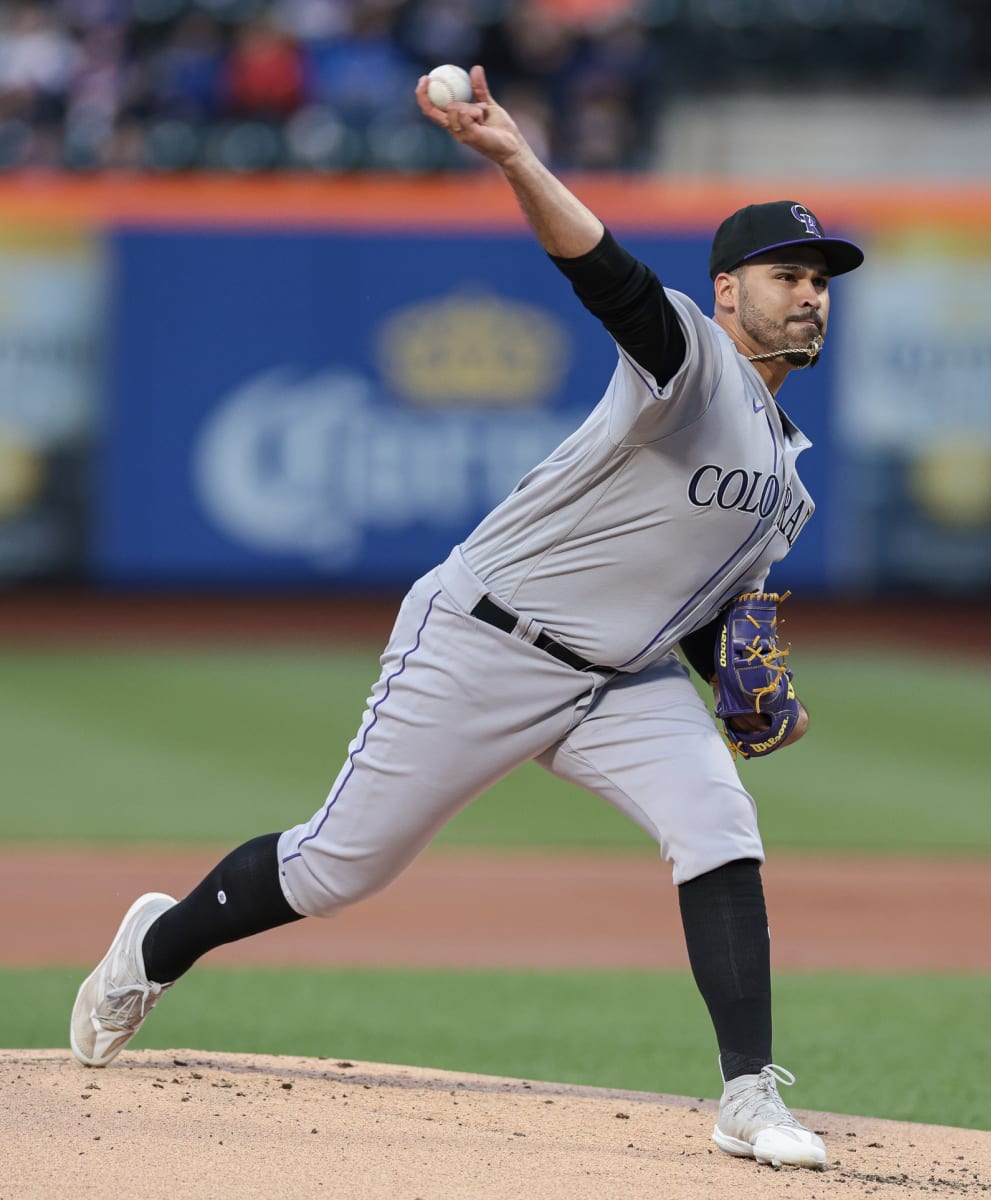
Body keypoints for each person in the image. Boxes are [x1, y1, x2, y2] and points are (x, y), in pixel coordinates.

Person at [70, 64, 864, 1171]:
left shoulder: (788, 476)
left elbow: (699, 614)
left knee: (719, 823)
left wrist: (735, 681)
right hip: (484, 638)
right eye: (789, 274)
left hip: (615, 682)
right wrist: (513, 155)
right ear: (728, 291)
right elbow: (610, 277)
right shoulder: (691, 365)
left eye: (823, 279)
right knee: (336, 872)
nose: (812, 293)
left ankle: (747, 1098)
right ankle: (156, 943)